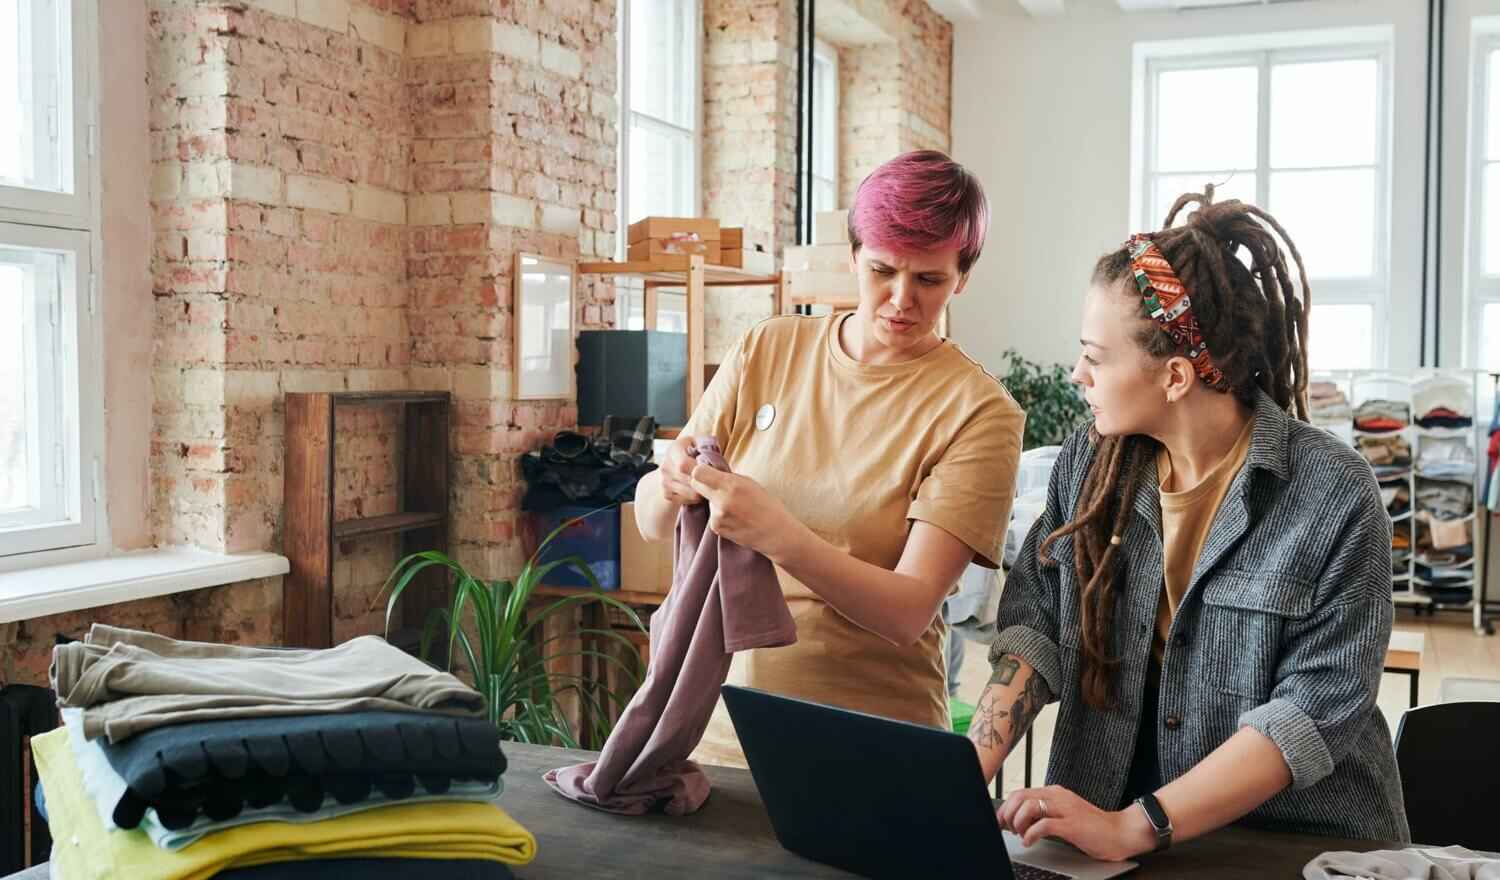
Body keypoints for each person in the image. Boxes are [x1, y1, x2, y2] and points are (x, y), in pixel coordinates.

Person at [967, 189, 1409, 861]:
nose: (1077, 373)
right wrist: (962, 778)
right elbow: (1037, 630)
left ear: (1175, 376)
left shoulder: (1333, 495)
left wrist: (1135, 826)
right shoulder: (1091, 461)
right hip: (1109, 822)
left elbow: (1307, 717)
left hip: (1293, 847)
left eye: (1096, 355)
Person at [633, 150, 1025, 767]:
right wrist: (672, 481)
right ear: (853, 257)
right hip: (713, 729)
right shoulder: (767, 348)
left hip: (865, 746)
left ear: (963, 276)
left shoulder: (979, 412)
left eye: (929, 280)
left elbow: (907, 610)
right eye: (882, 271)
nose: (901, 299)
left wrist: (781, 535)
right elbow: (651, 521)